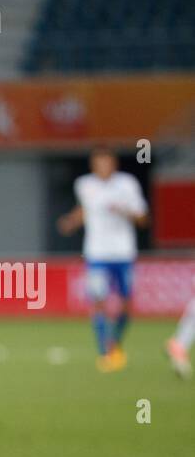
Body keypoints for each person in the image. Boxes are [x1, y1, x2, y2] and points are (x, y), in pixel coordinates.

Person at [57, 147, 149, 372]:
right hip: (96, 253)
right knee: (98, 301)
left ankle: (114, 342)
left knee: (126, 303)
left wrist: (124, 211)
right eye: (99, 163)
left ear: (113, 164)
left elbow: (142, 218)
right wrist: (71, 221)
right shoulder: (84, 185)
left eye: (107, 162)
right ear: (93, 165)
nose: (103, 167)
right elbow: (86, 210)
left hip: (123, 252)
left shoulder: (127, 184)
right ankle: (104, 351)